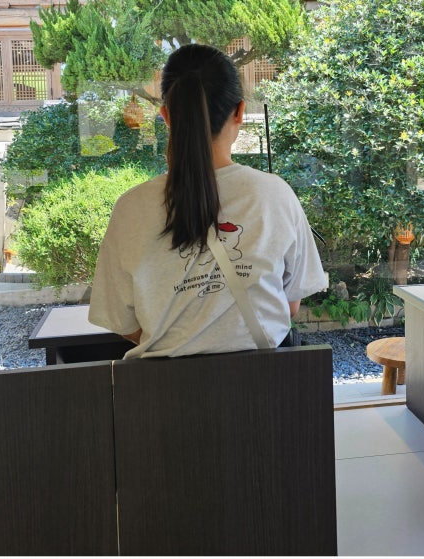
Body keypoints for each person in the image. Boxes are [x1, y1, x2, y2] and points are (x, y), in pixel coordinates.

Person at [88, 43, 327, 358]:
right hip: (265, 384)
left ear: (166, 116)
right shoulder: (275, 194)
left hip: (163, 387)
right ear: (239, 111)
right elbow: (290, 305)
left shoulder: (130, 209)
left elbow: (123, 322)